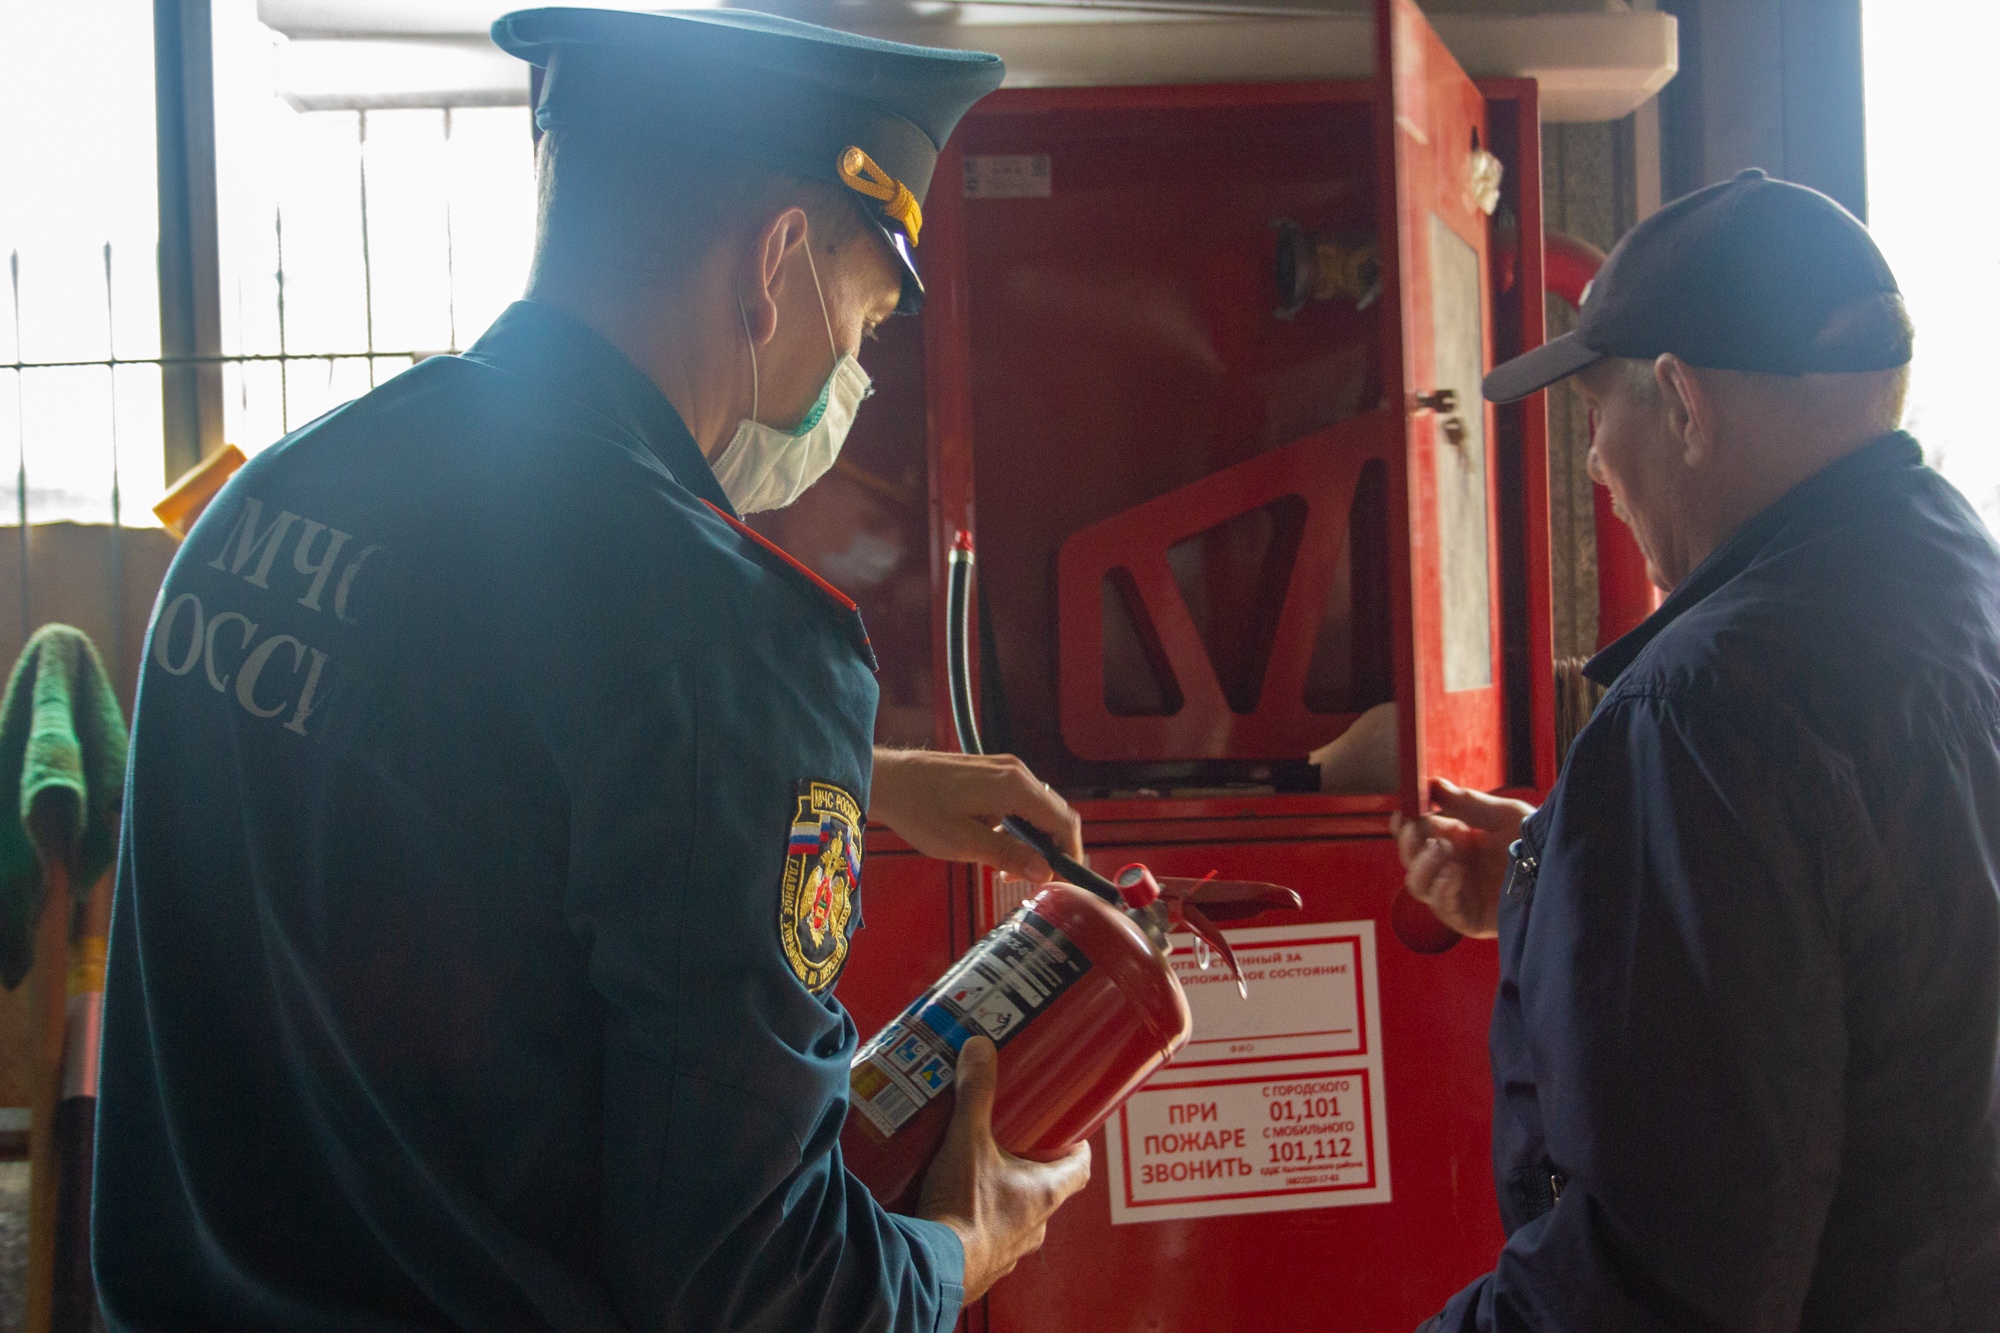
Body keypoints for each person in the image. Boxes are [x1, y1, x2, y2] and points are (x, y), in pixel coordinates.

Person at [93, 10, 1092, 1330]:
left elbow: (468, 736)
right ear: (775, 262)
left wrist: (860, 775)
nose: (850, 374)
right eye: (859, 320)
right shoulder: (729, 634)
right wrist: (959, 1249)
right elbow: (760, 1291)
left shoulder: (264, 504)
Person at [1396, 169, 2000, 1330]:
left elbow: (1654, 1281)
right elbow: (1876, 939)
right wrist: (1554, 872)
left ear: (1680, 403)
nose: (1592, 464)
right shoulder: (1957, 597)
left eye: (1594, 414)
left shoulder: (1700, 708)